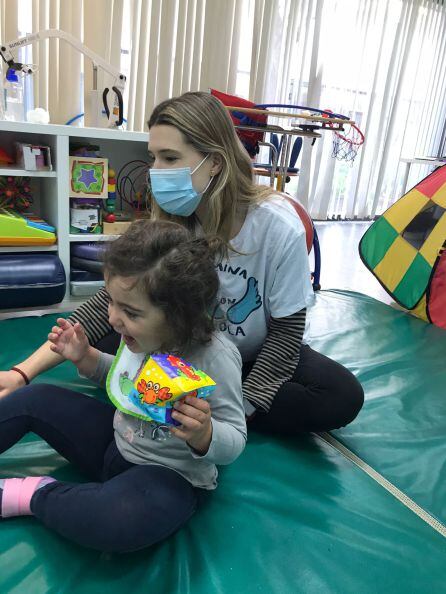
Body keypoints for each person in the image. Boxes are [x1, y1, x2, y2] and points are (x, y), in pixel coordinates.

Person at [0, 91, 364, 436]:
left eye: (170, 158)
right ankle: (182, 397)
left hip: (250, 357)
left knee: (339, 395)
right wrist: (22, 373)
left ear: (215, 162)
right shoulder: (174, 216)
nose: (156, 170)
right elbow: (106, 305)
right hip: (182, 348)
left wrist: (240, 412)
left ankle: (191, 400)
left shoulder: (277, 228)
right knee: (120, 323)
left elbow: (286, 334)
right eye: (154, 157)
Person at [0, 220, 246, 552]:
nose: (114, 319)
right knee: (33, 397)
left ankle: (33, 493)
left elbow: (235, 437)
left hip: (167, 476)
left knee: (119, 521)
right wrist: (85, 356)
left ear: (178, 316)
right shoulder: (137, 336)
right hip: (113, 443)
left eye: (129, 311)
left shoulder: (215, 357)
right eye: (111, 303)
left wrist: (205, 435)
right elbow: (121, 380)